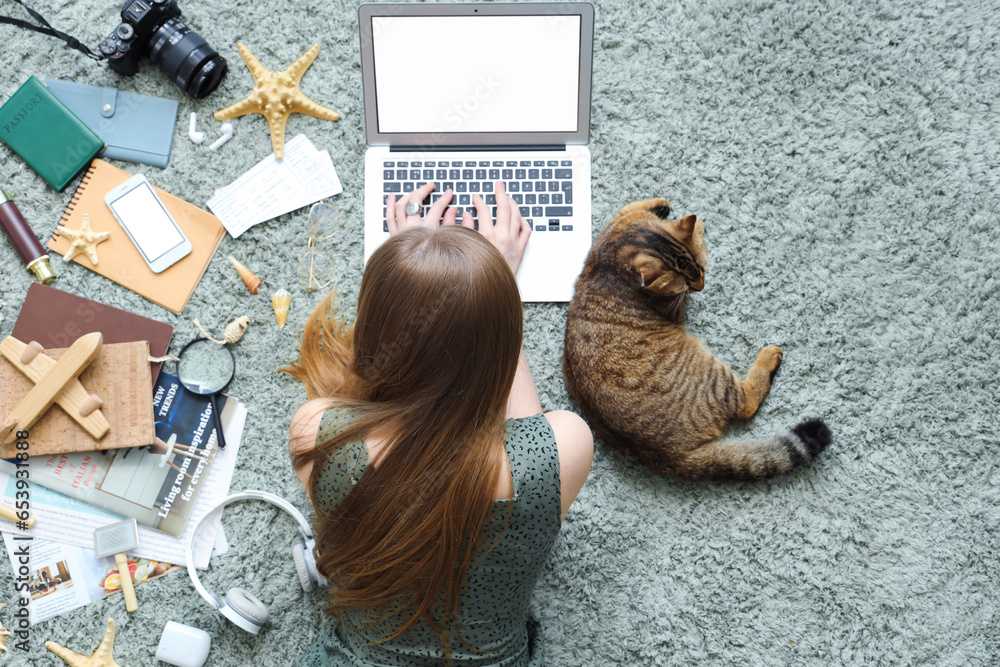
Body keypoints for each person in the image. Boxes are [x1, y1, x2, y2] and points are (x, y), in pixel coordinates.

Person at [285, 182, 594, 666]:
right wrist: (492, 290)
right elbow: (527, 435)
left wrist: (412, 266)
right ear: (503, 338)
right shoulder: (564, 447)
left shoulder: (318, 432)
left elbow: (371, 387)